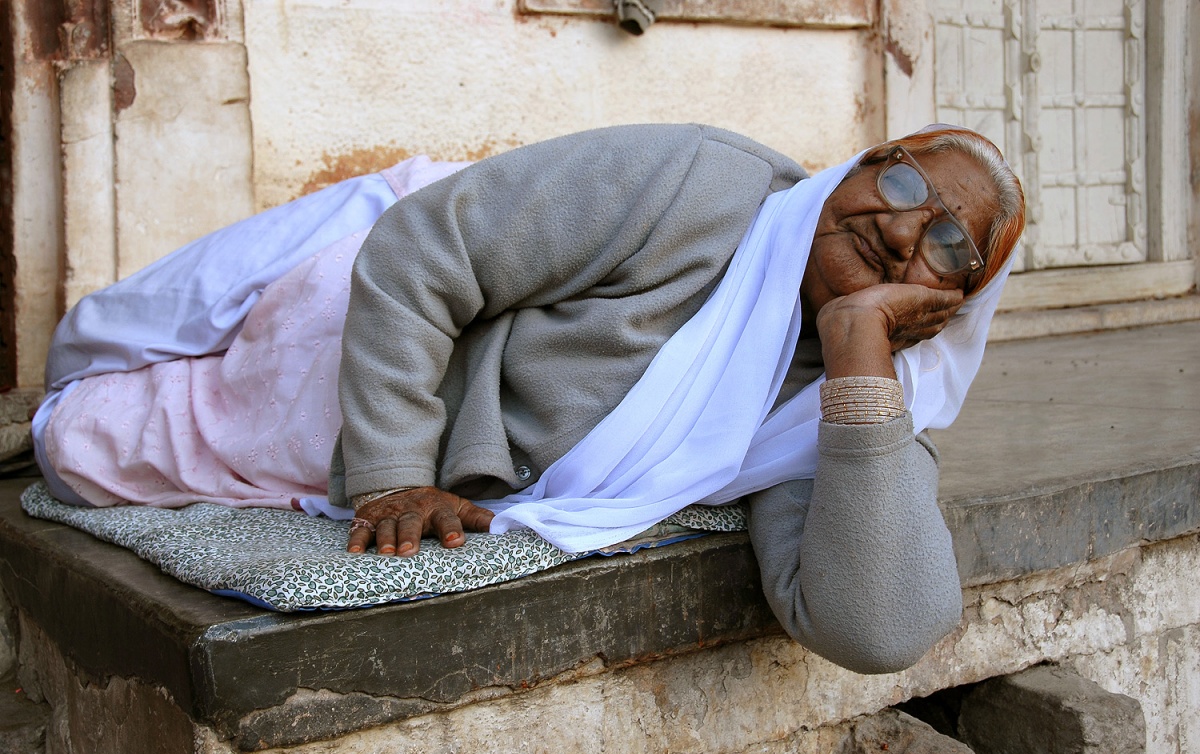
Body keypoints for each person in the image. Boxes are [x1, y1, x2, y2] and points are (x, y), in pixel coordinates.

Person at [35, 123, 1024, 674]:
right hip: (377, 313)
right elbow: (429, 251)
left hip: (420, 356)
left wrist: (858, 358)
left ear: (951, 304)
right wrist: (391, 474)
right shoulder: (702, 184)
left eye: (948, 247)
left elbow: (882, 624)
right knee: (76, 434)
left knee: (86, 446)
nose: (904, 236)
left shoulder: (853, 397)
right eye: (901, 190)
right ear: (857, 168)